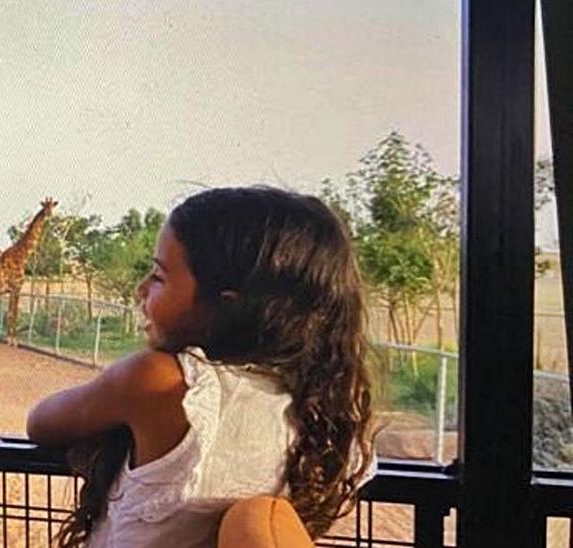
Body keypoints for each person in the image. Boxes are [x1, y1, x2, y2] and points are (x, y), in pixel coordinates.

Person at [27, 187, 375, 547]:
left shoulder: (161, 382)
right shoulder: (328, 415)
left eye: (159, 277)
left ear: (224, 306)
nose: (140, 289)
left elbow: (41, 422)